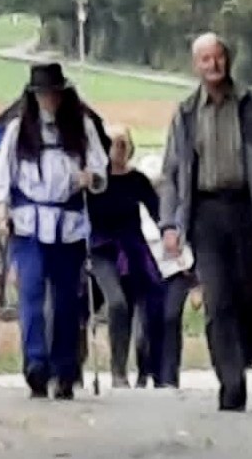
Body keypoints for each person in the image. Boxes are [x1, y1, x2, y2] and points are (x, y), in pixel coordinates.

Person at [159, 32, 252, 412]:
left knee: (249, 298)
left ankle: (246, 353)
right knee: (218, 298)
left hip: (249, 211)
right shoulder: (186, 114)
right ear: (196, 66)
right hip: (205, 213)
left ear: (228, 60)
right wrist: (169, 224)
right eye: (205, 59)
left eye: (218, 57)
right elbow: (170, 172)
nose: (213, 65)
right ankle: (231, 380)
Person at [0, 63, 108, 400]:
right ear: (33, 96)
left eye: (54, 92)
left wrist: (92, 179)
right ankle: (36, 365)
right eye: (42, 93)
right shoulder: (18, 130)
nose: (49, 99)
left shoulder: (81, 127)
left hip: (68, 226)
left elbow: (99, 171)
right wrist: (1, 212)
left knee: (67, 299)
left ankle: (65, 369)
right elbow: (3, 177)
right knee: (30, 295)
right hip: (28, 225)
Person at [86, 125, 165, 388]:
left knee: (133, 307)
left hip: (131, 251)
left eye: (123, 144)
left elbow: (157, 212)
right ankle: (117, 370)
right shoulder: (97, 181)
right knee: (117, 303)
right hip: (101, 250)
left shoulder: (137, 180)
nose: (118, 150)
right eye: (113, 144)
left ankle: (126, 368)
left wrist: (170, 232)